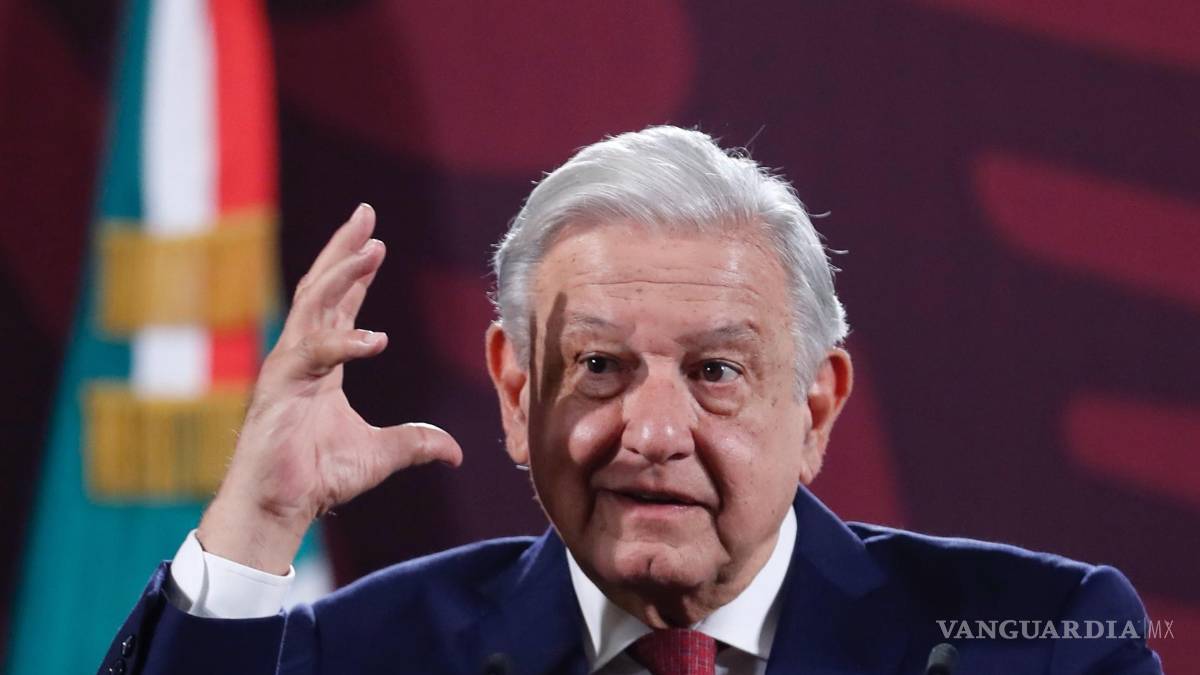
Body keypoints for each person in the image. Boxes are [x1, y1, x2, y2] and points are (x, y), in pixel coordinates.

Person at [97, 126, 1162, 675]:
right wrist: (256, 521)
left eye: (716, 372)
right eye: (600, 366)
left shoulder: (1041, 645)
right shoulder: (369, 653)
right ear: (517, 390)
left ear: (816, 409)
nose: (652, 433)